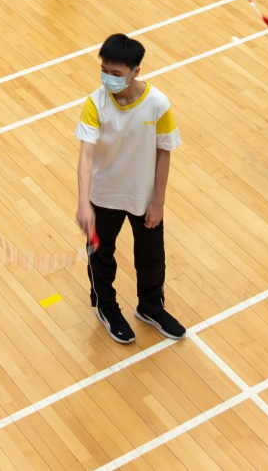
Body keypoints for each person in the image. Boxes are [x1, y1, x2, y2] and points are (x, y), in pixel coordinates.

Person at [75, 33, 185, 346]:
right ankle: (107, 307)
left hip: (143, 196)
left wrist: (158, 202)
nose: (107, 78)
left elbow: (164, 152)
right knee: (101, 256)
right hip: (104, 195)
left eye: (116, 73)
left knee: (152, 258)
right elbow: (86, 155)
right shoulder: (95, 103)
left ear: (136, 71)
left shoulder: (157, 104)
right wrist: (84, 202)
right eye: (104, 71)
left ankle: (150, 308)